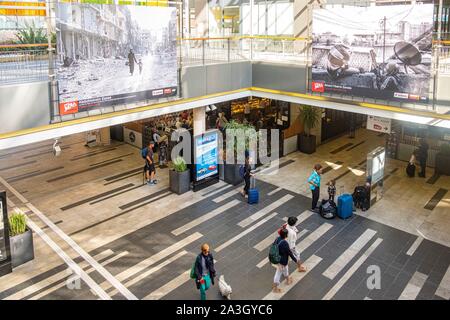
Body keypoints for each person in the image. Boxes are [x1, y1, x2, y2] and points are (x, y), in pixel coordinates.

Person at [272, 228, 298, 293]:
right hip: (282, 261)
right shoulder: (285, 243)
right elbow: (290, 253)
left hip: (277, 259)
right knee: (278, 274)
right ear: (286, 235)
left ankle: (288, 279)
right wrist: (296, 260)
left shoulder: (277, 238)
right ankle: (275, 288)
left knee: (285, 269)